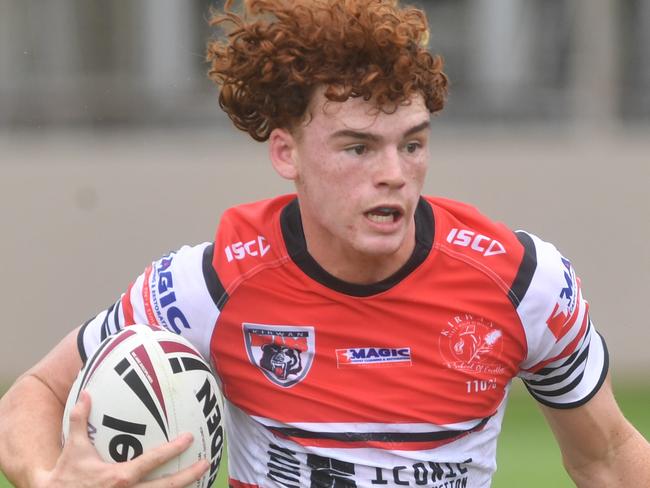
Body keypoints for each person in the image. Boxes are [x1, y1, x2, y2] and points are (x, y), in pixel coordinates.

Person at [0, 0, 648, 486]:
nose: (394, 172)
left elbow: (610, 456)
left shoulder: (523, 284)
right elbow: (33, 392)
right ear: (287, 152)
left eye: (413, 143)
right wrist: (48, 479)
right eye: (358, 147)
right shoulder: (209, 285)